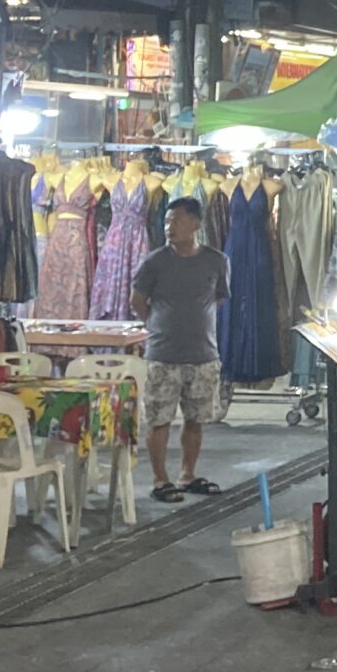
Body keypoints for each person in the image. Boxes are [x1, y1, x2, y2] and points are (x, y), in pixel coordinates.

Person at [130, 194, 231, 504]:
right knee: (159, 418)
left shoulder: (216, 261)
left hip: (203, 354)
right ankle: (160, 478)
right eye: (167, 221)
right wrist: (158, 324)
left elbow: (217, 298)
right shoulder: (155, 262)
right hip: (163, 354)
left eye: (176, 220)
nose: (169, 227)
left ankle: (188, 474)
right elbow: (138, 300)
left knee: (195, 418)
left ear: (195, 224)